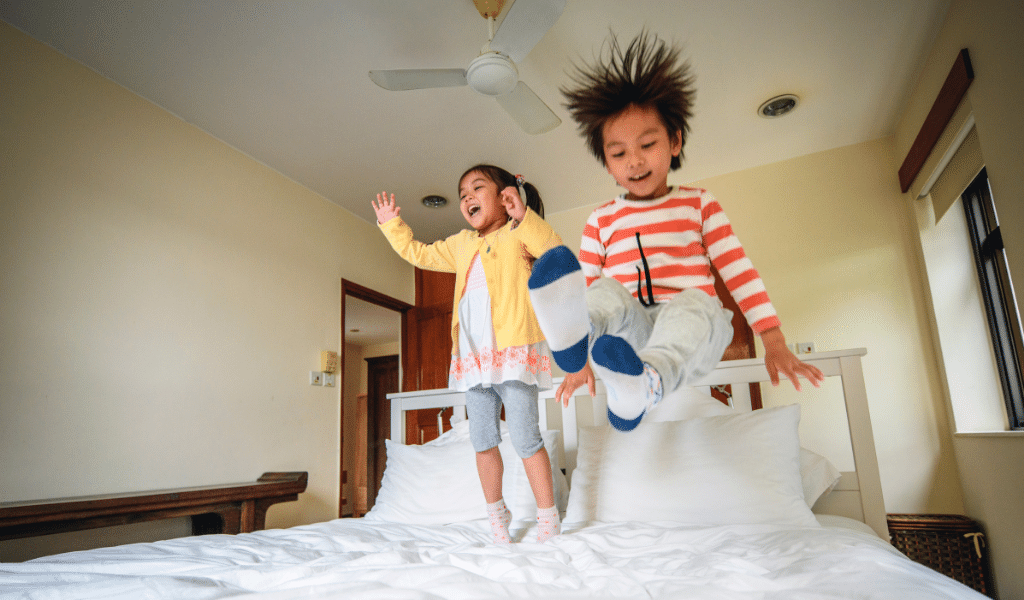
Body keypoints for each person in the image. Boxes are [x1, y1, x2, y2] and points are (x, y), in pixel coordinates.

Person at [528, 31, 825, 431]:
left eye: (647, 144)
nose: (633, 161)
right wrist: (579, 367)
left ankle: (646, 384)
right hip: (632, 332)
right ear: (607, 163)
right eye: (618, 153)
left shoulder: (698, 204)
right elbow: (589, 282)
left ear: (674, 141)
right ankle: (575, 339)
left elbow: (737, 269)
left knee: (693, 305)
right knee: (601, 291)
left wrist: (772, 340)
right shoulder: (601, 219)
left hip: (692, 326)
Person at [372, 164, 563, 544]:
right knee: (483, 440)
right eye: (462, 194)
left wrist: (523, 215)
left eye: (478, 188)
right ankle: (496, 515)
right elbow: (419, 253)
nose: (467, 197)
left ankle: (548, 516)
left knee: (526, 438)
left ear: (505, 195)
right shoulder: (461, 243)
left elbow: (554, 252)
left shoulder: (518, 233)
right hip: (475, 358)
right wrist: (392, 224)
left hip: (513, 353)